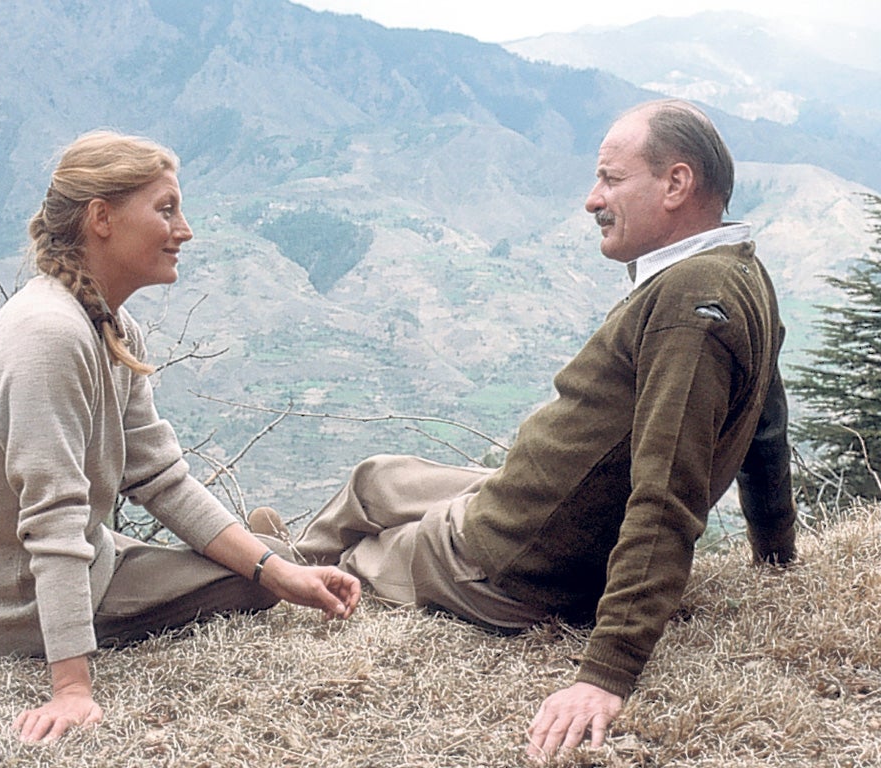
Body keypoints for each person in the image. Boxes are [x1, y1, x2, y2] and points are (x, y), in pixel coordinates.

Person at [293, 99, 797, 761]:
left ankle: (266, 570)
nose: (593, 199)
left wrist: (605, 674)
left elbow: (666, 494)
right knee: (374, 479)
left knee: (367, 550)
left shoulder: (689, 301)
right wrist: (776, 555)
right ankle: (286, 549)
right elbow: (768, 424)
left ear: (677, 184)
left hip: (508, 564)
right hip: (527, 500)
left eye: (612, 180)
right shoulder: (739, 268)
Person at [0, 130, 361, 744]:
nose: (183, 230)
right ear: (101, 218)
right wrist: (71, 689)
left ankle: (269, 547)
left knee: (271, 573)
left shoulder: (109, 324)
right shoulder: (48, 337)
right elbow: (52, 520)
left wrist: (273, 570)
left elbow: (161, 479)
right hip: (21, 607)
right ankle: (275, 547)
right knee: (262, 583)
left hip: (87, 560)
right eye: (165, 209)